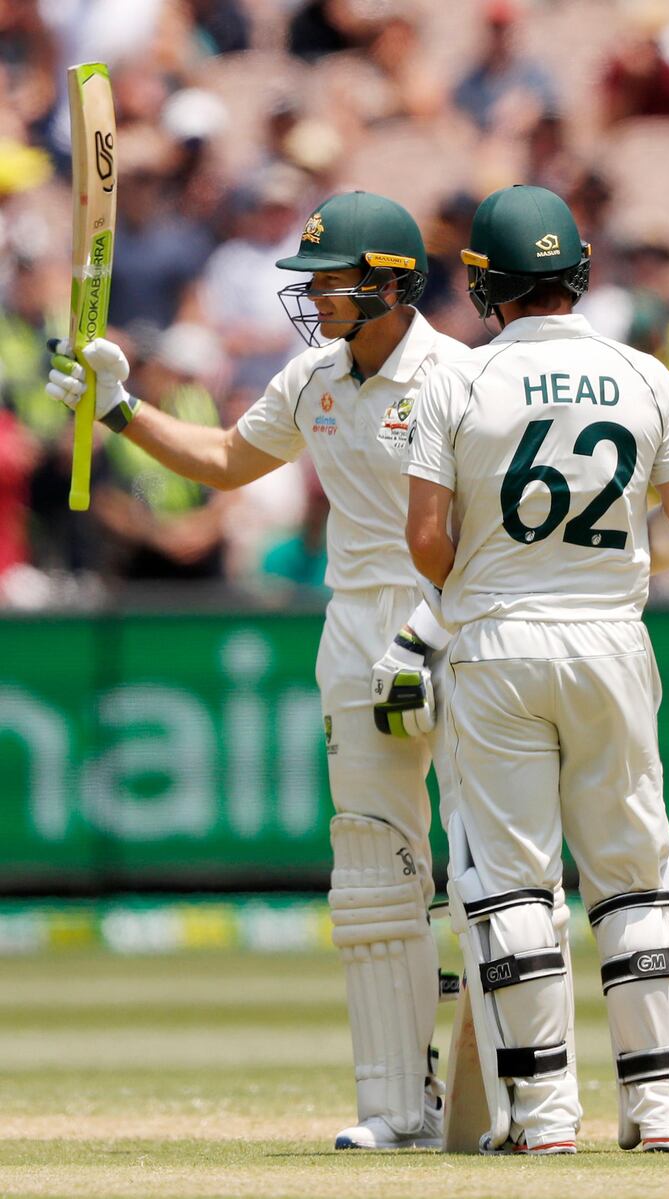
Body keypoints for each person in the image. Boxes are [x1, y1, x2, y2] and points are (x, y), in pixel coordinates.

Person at [46, 190, 462, 1151]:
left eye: (329, 281)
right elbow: (230, 459)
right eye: (308, 281)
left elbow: (481, 532)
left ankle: (528, 1098)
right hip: (352, 625)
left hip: (451, 619)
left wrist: (437, 622)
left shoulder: (456, 377)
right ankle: (399, 1107)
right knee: (371, 870)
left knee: (489, 864)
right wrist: (120, 410)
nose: (312, 298)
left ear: (390, 285)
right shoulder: (314, 377)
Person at [404, 184, 669, 1155]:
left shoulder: (452, 380)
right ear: (576, 270)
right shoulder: (642, 371)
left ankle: (541, 1120)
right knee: (631, 876)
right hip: (608, 640)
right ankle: (661, 1112)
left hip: (498, 641)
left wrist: (498, 578)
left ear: (484, 283)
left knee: (510, 886)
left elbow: (425, 538)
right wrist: (613, 565)